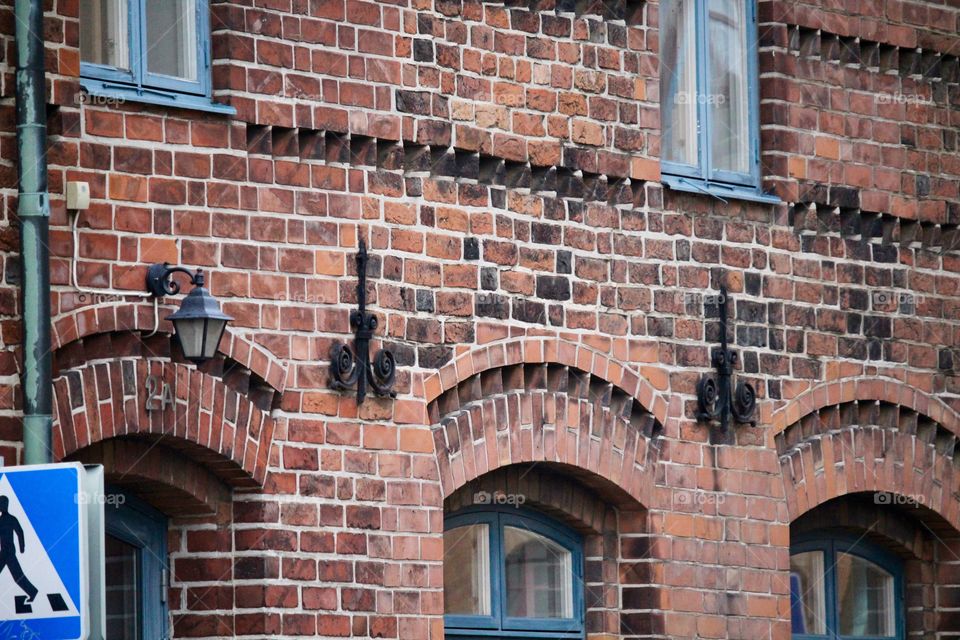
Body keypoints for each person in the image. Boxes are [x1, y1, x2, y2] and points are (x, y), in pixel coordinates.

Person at [0, 495, 38, 604]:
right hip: (5, 551)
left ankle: (33, 592)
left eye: (2, 504)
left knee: (17, 576)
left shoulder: (11, 519)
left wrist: (22, 547)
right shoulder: (1, 520)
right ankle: (33, 592)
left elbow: (20, 532)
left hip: (9, 552)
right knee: (17, 576)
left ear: (6, 505)